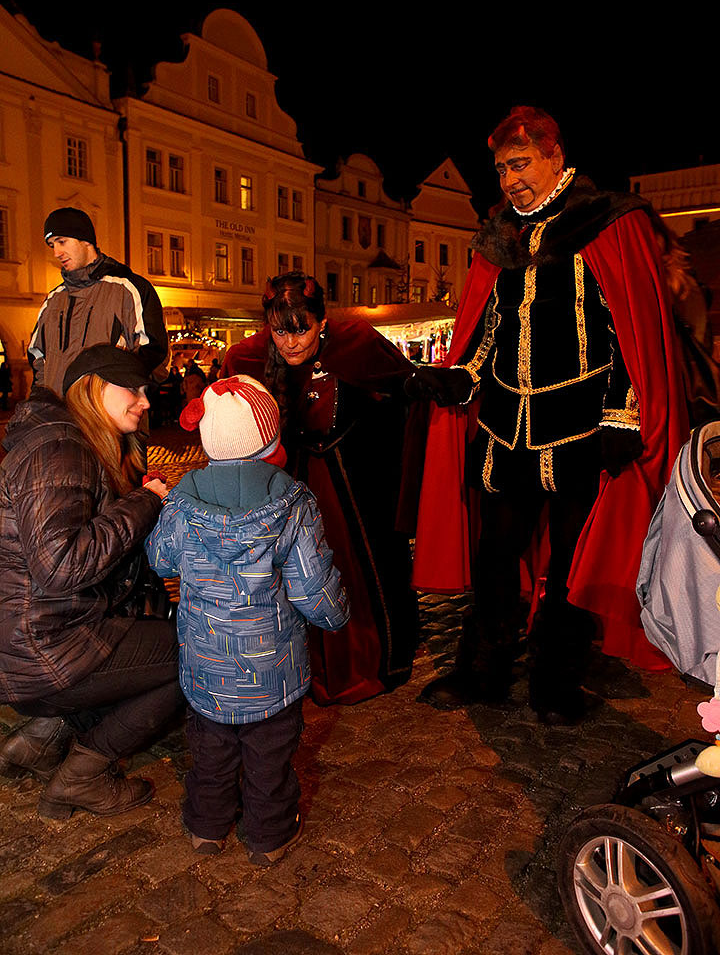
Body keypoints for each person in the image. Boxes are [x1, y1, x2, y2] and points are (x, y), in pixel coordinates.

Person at [407, 106, 688, 723]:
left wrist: (623, 414)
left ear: (556, 155)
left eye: (520, 164)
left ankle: (556, 681)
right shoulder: (499, 236)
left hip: (582, 429)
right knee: (495, 555)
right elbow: (487, 330)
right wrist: (463, 377)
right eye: (502, 169)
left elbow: (630, 331)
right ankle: (483, 669)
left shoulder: (606, 223)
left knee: (570, 561)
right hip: (505, 429)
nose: (509, 180)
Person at [145, 375, 349, 861]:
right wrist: (337, 616)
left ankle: (207, 827)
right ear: (270, 440)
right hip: (272, 675)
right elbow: (311, 585)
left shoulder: (181, 503)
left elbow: (161, 559)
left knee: (210, 753)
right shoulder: (292, 504)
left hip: (207, 670)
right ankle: (269, 835)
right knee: (270, 758)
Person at [221, 272, 420, 705]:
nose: (291, 343)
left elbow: (401, 395)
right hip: (284, 491)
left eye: (301, 330)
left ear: (322, 322)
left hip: (353, 491)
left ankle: (362, 662)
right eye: (280, 332)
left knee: (350, 571)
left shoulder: (357, 344)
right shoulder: (248, 358)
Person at [0, 344, 182, 817]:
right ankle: (83, 775)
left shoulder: (68, 442)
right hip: (39, 649)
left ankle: (42, 739)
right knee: (194, 657)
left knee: (144, 642)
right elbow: (60, 566)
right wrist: (144, 504)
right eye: (134, 389)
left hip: (31, 641)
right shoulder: (61, 450)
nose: (145, 401)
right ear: (96, 388)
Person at [28, 208, 168, 397]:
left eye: (62, 242)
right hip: (60, 418)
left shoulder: (129, 289)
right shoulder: (53, 300)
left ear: (86, 240)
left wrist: (112, 397)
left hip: (108, 419)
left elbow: (155, 354)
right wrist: (44, 402)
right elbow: (38, 358)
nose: (57, 253)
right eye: (52, 245)